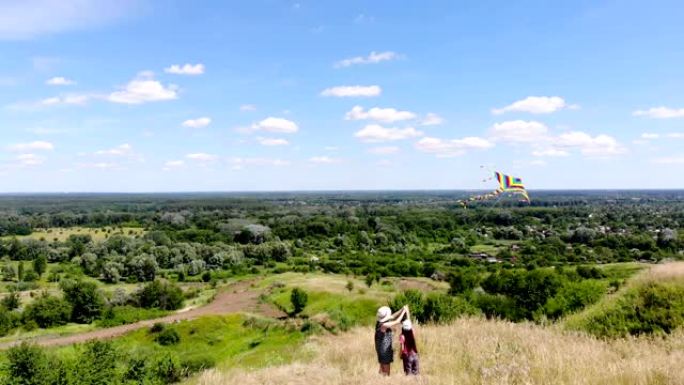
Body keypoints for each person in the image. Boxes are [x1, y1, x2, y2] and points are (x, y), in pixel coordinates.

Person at [375, 305, 407, 376]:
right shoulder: (384, 325)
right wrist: (404, 311)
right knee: (386, 372)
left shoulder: (379, 323)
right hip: (384, 351)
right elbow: (397, 321)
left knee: (382, 370)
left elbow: (392, 316)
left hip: (382, 349)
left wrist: (401, 309)